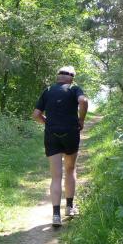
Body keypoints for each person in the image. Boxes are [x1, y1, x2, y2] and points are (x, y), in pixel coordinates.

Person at [32, 66, 89, 227]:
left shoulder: (48, 90)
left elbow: (36, 115)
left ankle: (56, 215)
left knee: (56, 176)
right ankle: (69, 208)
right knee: (70, 170)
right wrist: (81, 120)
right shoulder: (74, 89)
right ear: (71, 77)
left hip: (51, 135)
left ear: (58, 77)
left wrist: (47, 122)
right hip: (70, 133)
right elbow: (83, 101)